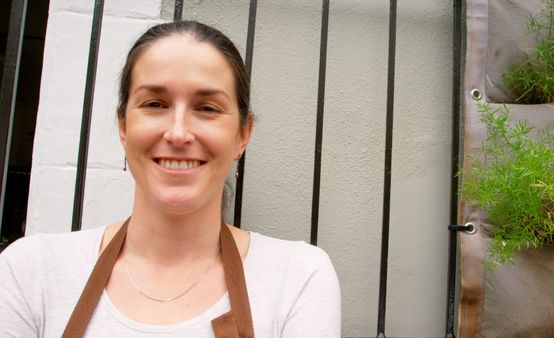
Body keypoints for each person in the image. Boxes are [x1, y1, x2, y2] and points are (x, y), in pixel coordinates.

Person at [0, 21, 341, 337]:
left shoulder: (297, 278)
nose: (178, 134)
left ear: (243, 134)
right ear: (123, 126)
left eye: (207, 108)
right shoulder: (30, 272)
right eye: (155, 104)